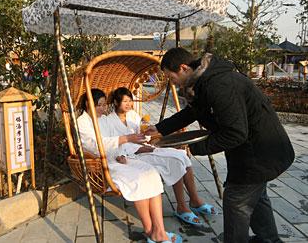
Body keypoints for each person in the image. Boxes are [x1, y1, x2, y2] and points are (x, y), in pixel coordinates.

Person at [145, 47, 295, 243]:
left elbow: (235, 133)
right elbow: (192, 112)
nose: (171, 82)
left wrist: (193, 148)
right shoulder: (204, 81)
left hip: (261, 152)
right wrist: (160, 128)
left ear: (183, 68)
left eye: (171, 77)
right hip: (255, 151)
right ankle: (269, 239)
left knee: (236, 201)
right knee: (257, 197)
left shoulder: (219, 85)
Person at [77, 89, 182, 243]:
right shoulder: (82, 122)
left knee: (151, 173)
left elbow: (113, 141)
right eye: (99, 105)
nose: (103, 108)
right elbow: (93, 146)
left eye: (104, 105)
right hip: (101, 164)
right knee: (138, 179)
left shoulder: (103, 119)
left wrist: (121, 153)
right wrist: (125, 139)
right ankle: (149, 230)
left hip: (118, 158)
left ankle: (158, 230)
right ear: (88, 104)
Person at [102, 87, 217, 226]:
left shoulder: (133, 115)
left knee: (181, 156)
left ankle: (194, 199)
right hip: (131, 155)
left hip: (146, 148)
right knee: (174, 160)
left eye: (130, 101)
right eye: (125, 101)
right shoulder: (108, 121)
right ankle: (182, 207)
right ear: (115, 102)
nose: (129, 104)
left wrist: (149, 132)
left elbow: (144, 135)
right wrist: (137, 148)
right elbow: (113, 144)